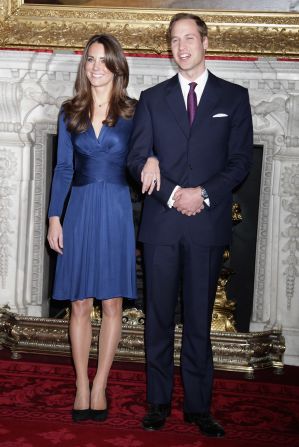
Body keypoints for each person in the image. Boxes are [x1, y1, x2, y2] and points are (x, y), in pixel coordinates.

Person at [127, 13, 253, 438]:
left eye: (188, 38)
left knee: (199, 320)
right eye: (174, 40)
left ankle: (200, 407)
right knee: (158, 318)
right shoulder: (151, 98)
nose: (181, 47)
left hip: (206, 224)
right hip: (162, 225)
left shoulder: (234, 97)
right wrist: (170, 190)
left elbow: (240, 162)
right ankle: (158, 403)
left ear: (204, 41)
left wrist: (202, 194)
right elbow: (136, 158)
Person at [47, 33, 157, 423]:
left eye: (103, 60)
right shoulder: (69, 112)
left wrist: (154, 160)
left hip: (115, 210)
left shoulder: (134, 112)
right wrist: (54, 217)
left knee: (111, 303)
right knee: (79, 302)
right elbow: (62, 168)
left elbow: (150, 149)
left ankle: (101, 384)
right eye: (90, 60)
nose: (96, 67)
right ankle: (80, 383)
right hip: (78, 210)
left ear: (117, 66)